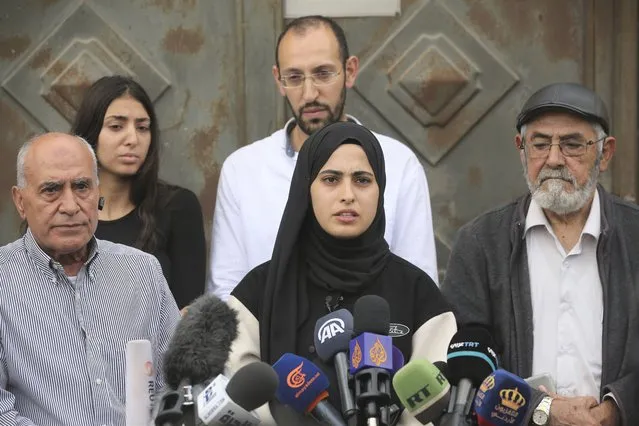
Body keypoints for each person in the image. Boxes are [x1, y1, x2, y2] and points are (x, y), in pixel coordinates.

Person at [225, 121, 456, 425]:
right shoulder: (256, 292)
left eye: (362, 180)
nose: (347, 194)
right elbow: (242, 398)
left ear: (380, 189)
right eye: (331, 179)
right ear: (306, 188)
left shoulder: (417, 292)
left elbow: (433, 399)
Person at [442, 82, 639, 426]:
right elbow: (463, 366)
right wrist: (539, 409)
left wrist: (616, 408)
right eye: (540, 143)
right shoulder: (480, 243)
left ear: (605, 153)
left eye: (573, 145)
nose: (553, 159)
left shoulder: (634, 236)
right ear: (521, 148)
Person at [208, 15, 438, 300]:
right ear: (278, 80)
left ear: (350, 71)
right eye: (294, 77)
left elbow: (418, 287)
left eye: (323, 73)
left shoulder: (399, 164)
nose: (309, 93)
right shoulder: (243, 170)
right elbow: (227, 294)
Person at [1, 133, 180, 425]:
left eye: (82, 186)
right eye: (51, 190)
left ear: (98, 192)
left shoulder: (143, 272)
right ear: (20, 202)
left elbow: (176, 384)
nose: (70, 205)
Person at [72, 75, 206, 309]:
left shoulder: (177, 206)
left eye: (143, 128)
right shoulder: (66, 210)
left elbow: (188, 311)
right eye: (116, 126)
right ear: (90, 133)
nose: (133, 139)